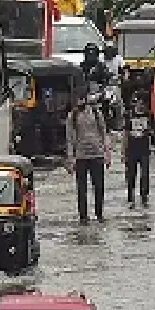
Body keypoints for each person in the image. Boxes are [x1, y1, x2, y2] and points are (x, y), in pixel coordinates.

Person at [66, 91, 110, 224]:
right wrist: (70, 158)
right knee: (82, 188)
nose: (79, 102)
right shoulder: (72, 116)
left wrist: (107, 154)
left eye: (81, 99)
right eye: (77, 100)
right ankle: (83, 216)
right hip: (81, 156)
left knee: (99, 186)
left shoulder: (97, 114)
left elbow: (104, 133)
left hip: (97, 155)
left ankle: (99, 213)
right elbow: (70, 138)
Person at [123, 87, 152, 207]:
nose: (140, 104)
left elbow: (152, 131)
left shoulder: (148, 114)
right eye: (138, 101)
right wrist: (123, 152)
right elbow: (125, 133)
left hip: (144, 149)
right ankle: (131, 197)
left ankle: (144, 197)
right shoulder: (129, 115)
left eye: (143, 102)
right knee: (131, 174)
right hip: (132, 149)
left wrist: (148, 131)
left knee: (144, 174)